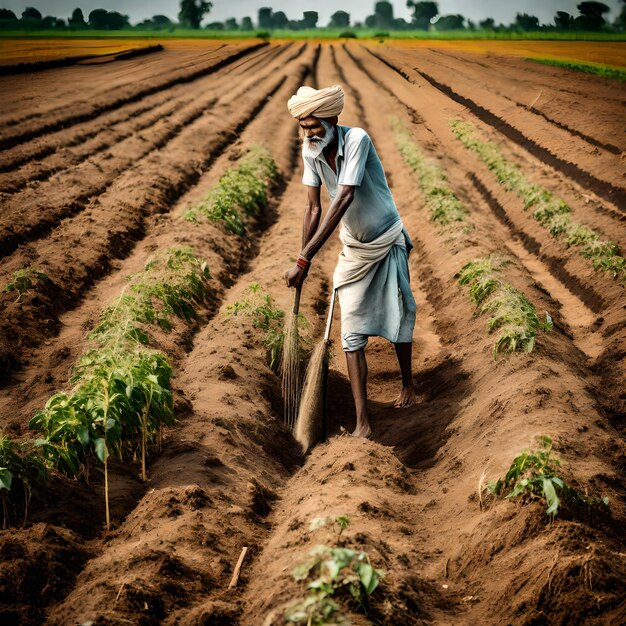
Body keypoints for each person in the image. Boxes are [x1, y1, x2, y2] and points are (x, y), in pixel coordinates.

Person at [284, 84, 416, 439]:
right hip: (355, 246)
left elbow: (343, 197)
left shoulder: (357, 139)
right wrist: (303, 260)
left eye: (313, 125)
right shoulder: (310, 151)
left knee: (399, 311)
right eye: (303, 127)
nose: (309, 133)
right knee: (350, 333)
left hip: (386, 238)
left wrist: (305, 255)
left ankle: (407, 384)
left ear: (332, 119)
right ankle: (362, 422)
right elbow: (313, 207)